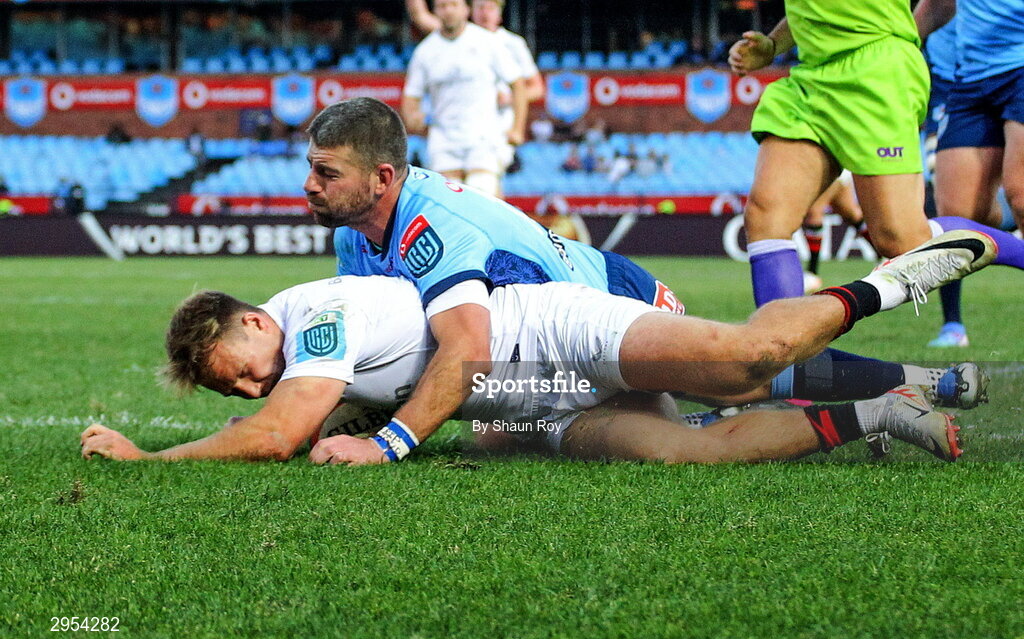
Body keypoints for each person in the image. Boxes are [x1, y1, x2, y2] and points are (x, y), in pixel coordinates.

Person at [306, 98, 988, 463]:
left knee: (737, 374)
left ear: (383, 177)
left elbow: (459, 349)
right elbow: (383, 353)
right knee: (660, 431)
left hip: (604, 301)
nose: (308, 187)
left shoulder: (434, 220)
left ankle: (908, 330)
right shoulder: (352, 237)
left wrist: (387, 442)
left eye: (326, 173)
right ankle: (898, 398)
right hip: (537, 370)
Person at [79, 228, 997, 466]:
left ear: (249, 322)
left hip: (546, 329)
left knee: (741, 361)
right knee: (683, 453)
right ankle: (882, 411)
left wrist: (146, 456)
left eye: (231, 373)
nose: (244, 391)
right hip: (528, 397)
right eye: (228, 390)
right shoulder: (295, 341)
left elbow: (277, 433)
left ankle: (889, 283)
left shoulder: (313, 312)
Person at [728, 2, 936, 308]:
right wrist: (774, 44)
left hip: (876, 70)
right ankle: (782, 349)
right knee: (766, 215)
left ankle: (1006, 246)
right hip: (813, 77)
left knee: (900, 239)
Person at [915, 0, 1024, 348]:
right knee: (957, 218)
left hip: (1021, 69)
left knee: (1020, 192)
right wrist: (900, 44)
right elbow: (938, 5)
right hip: (970, 82)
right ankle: (952, 327)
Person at [400, 0, 527, 198]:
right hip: (443, 140)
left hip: (484, 138)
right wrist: (413, 117)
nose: (448, 11)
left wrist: (517, 128)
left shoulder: (488, 42)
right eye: (442, 6)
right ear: (435, 11)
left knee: (484, 198)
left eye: (453, 5)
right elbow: (411, 96)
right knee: (448, 203)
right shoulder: (424, 51)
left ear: (466, 9)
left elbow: (518, 84)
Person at [801, 170, 865, 293]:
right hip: (839, 168)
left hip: (829, 165)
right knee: (850, 213)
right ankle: (884, 257)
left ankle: (812, 273)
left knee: (814, 211)